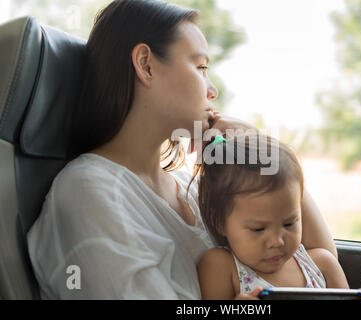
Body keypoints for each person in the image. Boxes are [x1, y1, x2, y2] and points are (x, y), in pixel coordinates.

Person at [27, 0, 337, 299]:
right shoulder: (89, 192)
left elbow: (315, 265)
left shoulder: (190, 188)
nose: (212, 90)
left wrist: (259, 147)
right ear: (146, 65)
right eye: (201, 66)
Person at [194, 133, 349, 299]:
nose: (277, 241)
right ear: (220, 222)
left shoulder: (322, 264)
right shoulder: (220, 266)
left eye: (289, 224)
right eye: (258, 229)